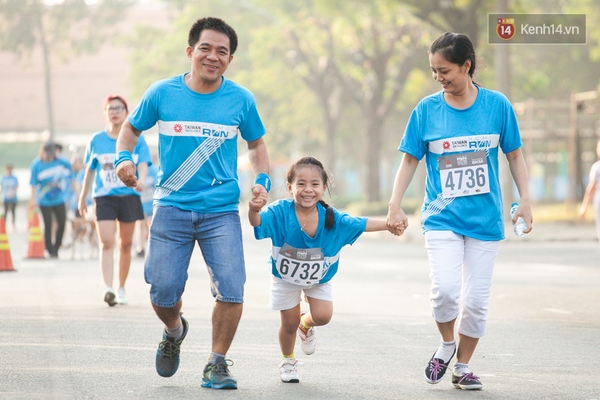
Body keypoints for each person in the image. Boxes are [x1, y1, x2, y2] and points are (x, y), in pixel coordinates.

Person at [114, 17, 270, 390]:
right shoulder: (162, 93)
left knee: (232, 288)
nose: (213, 56)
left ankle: (216, 364)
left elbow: (257, 145)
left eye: (222, 52)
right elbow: (130, 130)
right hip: (171, 207)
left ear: (230, 59)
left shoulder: (241, 100)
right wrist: (123, 158)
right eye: (206, 48)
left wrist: (262, 182)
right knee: (162, 290)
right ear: (190, 51)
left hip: (221, 211)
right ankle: (174, 330)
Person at [386, 32, 533, 391]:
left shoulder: (497, 106)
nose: (439, 78)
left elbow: (514, 155)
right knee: (446, 292)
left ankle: (463, 366)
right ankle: (447, 343)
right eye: (434, 71)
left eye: (445, 70)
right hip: (441, 216)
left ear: (467, 65)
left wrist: (526, 200)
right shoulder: (426, 110)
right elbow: (409, 160)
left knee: (478, 303)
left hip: (485, 220)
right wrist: (394, 204)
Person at [249, 156, 404, 383]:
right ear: (290, 186)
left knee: (322, 316)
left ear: (324, 188)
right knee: (288, 323)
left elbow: (361, 223)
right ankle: (287, 361)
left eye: (315, 184)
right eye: (301, 184)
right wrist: (253, 209)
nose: (307, 190)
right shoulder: (279, 212)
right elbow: (257, 222)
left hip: (318, 279)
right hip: (285, 278)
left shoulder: (334, 219)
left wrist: (390, 225)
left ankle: (306, 324)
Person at [78, 95, 151, 307]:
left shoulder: (136, 139)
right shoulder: (97, 140)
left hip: (129, 196)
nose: (115, 112)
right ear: (105, 113)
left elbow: (145, 163)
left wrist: (142, 181)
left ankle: (121, 288)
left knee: (125, 244)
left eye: (119, 108)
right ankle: (108, 288)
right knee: (106, 242)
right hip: (104, 197)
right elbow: (90, 171)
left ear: (126, 113)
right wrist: (82, 198)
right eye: (111, 108)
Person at [29, 142, 72, 258]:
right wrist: (33, 200)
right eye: (47, 155)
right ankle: (50, 249)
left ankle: (56, 247)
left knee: (62, 222)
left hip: (59, 198)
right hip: (44, 200)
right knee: (48, 224)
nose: (49, 157)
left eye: (51, 155)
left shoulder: (60, 161)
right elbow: (33, 184)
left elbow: (72, 168)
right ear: (41, 153)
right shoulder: (36, 165)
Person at [135, 160, 158, 257]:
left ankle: (151, 246)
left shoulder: (154, 170)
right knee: (141, 224)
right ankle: (141, 247)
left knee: (151, 225)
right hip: (141, 202)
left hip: (152, 202)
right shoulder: (136, 170)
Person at [579, 140, 600, 240]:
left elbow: (591, 188)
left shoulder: (597, 167)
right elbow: (591, 188)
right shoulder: (597, 167)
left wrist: (584, 207)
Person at [1, 163, 19, 231]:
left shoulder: (14, 178)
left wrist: (13, 193)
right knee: (5, 211)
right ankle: (4, 225)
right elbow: (1, 186)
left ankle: (13, 224)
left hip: (13, 197)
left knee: (13, 211)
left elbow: (17, 186)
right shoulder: (3, 177)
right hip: (5, 197)